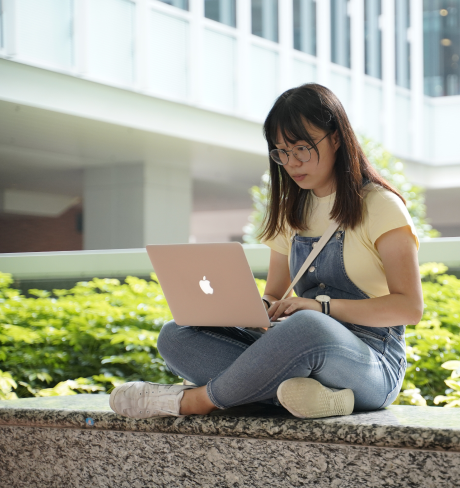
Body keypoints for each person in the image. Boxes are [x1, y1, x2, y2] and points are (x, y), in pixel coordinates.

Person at [109, 83, 423, 420]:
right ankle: (309, 398)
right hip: (296, 350)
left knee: (308, 325)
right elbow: (274, 294)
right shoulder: (293, 210)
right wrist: (256, 309)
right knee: (177, 333)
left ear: (335, 138)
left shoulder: (381, 206)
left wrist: (321, 308)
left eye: (302, 148)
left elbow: (409, 308)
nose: (291, 162)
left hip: (372, 363)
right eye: (281, 152)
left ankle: (197, 401)